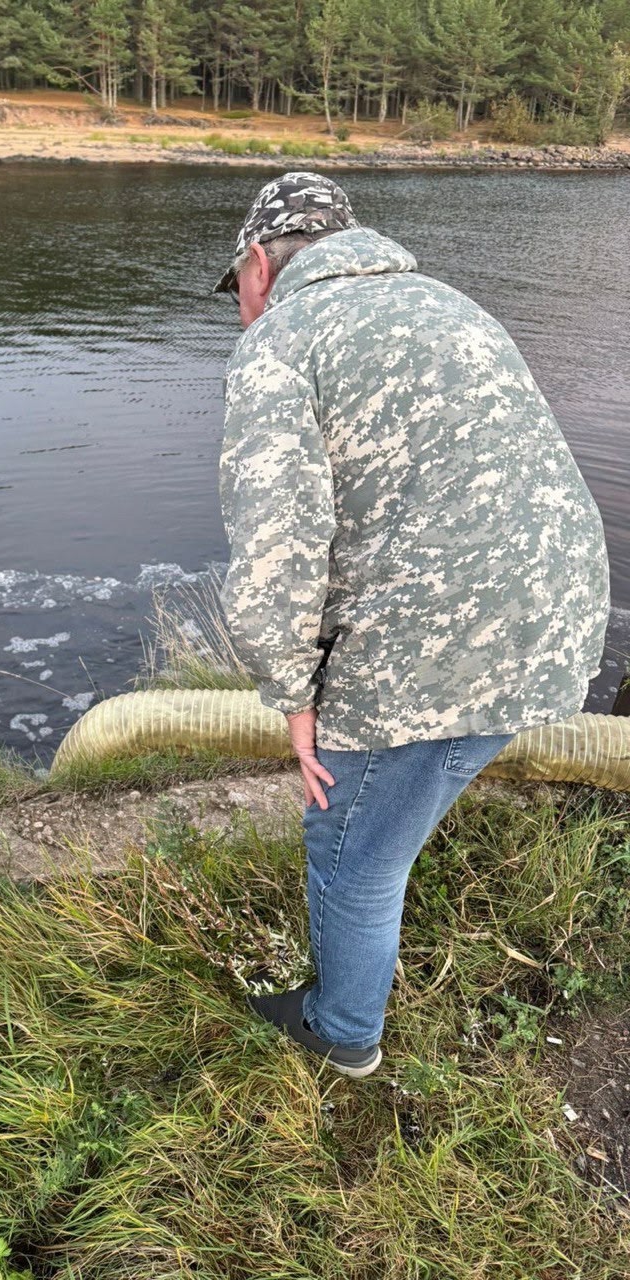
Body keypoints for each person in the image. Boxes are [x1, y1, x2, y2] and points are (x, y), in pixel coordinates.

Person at [213, 173, 609, 1078]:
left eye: (235, 283)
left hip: (436, 637)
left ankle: (342, 1033)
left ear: (259, 267)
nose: (238, 304)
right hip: (557, 611)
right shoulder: (450, 303)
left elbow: (279, 546)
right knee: (400, 803)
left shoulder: (282, 340)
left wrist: (292, 697)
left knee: (351, 849)